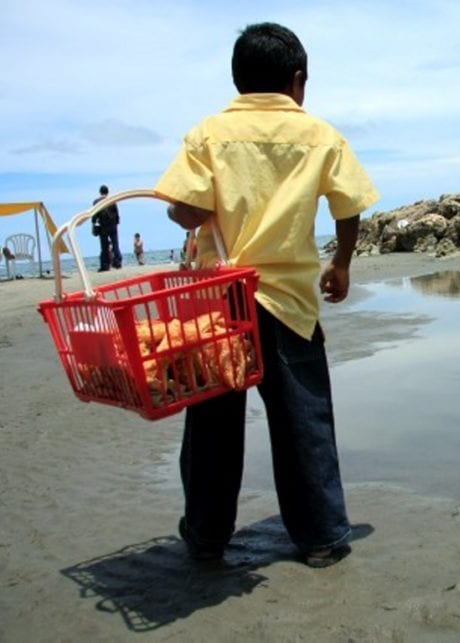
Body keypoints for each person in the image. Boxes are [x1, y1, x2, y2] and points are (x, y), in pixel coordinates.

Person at [154, 22, 379, 566]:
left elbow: (183, 208)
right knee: (303, 419)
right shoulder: (321, 135)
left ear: (238, 81)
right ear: (298, 81)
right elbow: (349, 207)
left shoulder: (208, 133)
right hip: (288, 303)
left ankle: (207, 536)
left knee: (212, 425)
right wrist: (341, 264)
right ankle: (322, 536)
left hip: (220, 305)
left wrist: (200, 208)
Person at [91, 185, 122, 271]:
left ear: (100, 192)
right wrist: (117, 222)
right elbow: (116, 213)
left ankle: (105, 265)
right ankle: (118, 262)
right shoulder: (112, 201)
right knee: (115, 244)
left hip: (103, 225)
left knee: (104, 246)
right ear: (107, 192)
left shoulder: (96, 201)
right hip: (113, 225)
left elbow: (94, 215)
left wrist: (93, 224)